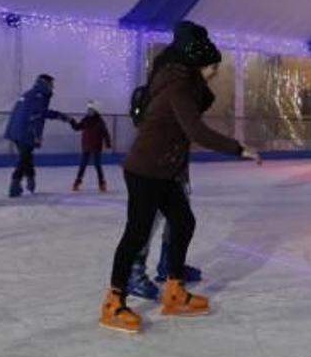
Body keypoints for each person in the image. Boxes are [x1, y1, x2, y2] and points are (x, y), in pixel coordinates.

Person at [99, 21, 261, 333]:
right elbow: (196, 131)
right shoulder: (178, 85)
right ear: (199, 63)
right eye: (214, 66)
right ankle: (113, 301)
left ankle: (174, 291)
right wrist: (239, 149)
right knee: (136, 233)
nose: (216, 72)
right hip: (146, 170)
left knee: (184, 221)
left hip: (164, 169)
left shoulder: (185, 80)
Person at [3, 74, 71, 197]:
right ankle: (15, 184)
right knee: (25, 158)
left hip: (16, 129)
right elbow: (36, 116)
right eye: (51, 84)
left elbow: (37, 113)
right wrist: (36, 135)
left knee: (26, 156)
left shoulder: (31, 93)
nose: (52, 87)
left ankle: (30, 180)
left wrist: (58, 116)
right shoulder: (39, 96)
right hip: (25, 131)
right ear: (44, 83)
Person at [71, 100, 112, 192]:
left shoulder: (100, 122)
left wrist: (108, 143)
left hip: (96, 147)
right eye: (88, 109)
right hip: (86, 146)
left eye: (91, 109)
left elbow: (105, 133)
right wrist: (72, 122)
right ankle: (77, 182)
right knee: (82, 165)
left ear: (95, 111)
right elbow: (77, 127)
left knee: (97, 165)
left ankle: (102, 183)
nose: (89, 111)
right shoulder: (85, 119)